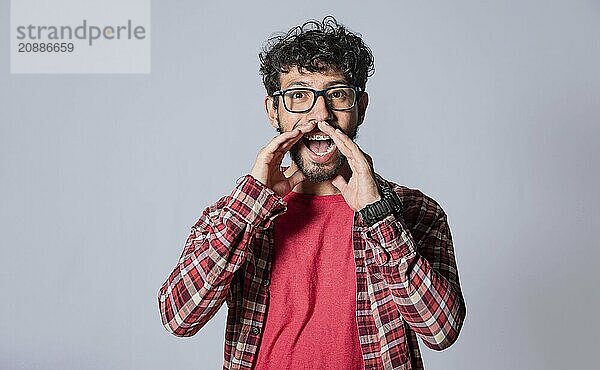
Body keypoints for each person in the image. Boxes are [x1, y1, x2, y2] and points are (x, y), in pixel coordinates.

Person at [158, 16, 466, 370]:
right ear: (273, 110)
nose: (321, 115)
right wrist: (249, 207)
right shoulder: (231, 216)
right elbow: (179, 318)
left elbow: (440, 331)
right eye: (299, 95)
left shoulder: (415, 211)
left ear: (360, 107)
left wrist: (379, 216)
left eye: (336, 94)